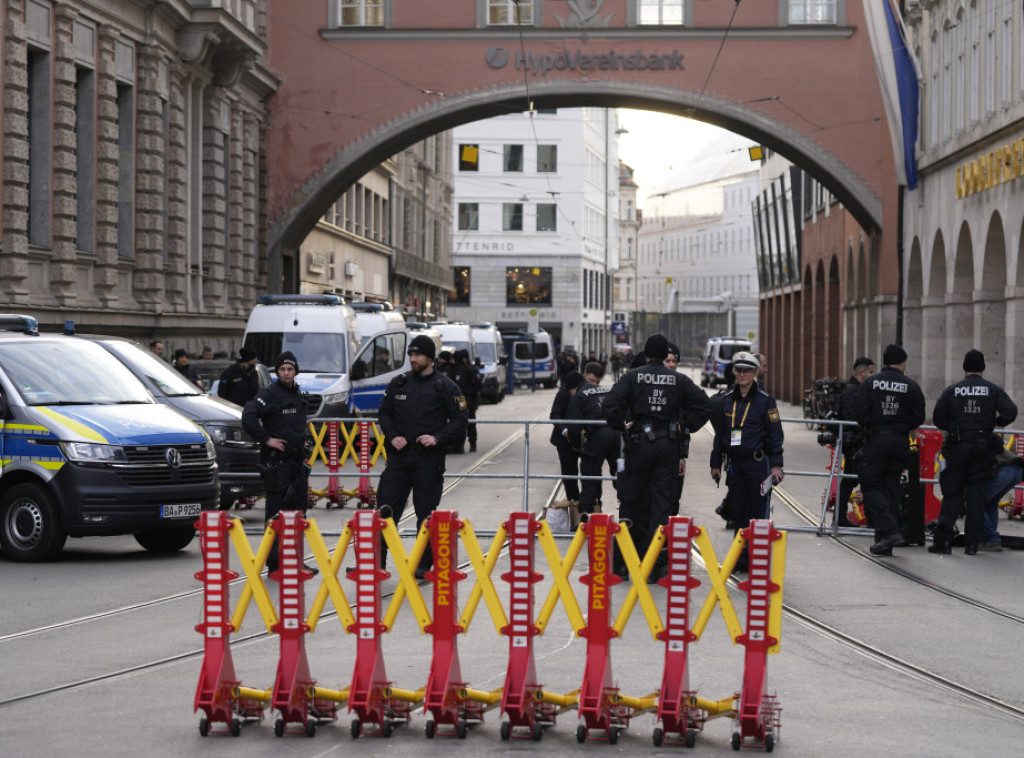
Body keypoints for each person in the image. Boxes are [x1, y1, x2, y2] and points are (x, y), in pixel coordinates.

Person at [603, 334, 711, 581]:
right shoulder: (679, 379)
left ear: (646, 354)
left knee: (631, 501)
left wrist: (622, 425)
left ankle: (625, 564)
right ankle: (653, 566)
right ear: (665, 356)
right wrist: (686, 427)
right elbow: (705, 405)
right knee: (661, 505)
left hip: (639, 443)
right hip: (667, 445)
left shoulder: (632, 376)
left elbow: (610, 404)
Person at [376, 334, 468, 578]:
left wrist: (437, 437)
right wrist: (393, 435)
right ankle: (377, 563)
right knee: (384, 510)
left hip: (428, 459)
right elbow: (383, 414)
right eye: (411, 354)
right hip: (399, 458)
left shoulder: (445, 386)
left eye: (417, 355)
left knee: (425, 514)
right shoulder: (399, 383)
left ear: (430, 358)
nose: (413, 359)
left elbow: (460, 421)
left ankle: (422, 564)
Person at [929, 349, 1017, 555]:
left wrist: (955, 428)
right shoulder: (993, 389)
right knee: (977, 495)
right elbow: (1010, 411)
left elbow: (938, 417)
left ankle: (943, 542)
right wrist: (995, 423)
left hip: (958, 447)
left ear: (964, 368)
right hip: (982, 448)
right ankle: (972, 544)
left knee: (952, 494)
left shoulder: (953, 390)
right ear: (983, 368)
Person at [709, 352, 785, 572]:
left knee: (758, 513)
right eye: (739, 370)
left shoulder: (765, 400)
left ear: (754, 373)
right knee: (739, 513)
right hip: (735, 465)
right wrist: (715, 463)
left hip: (757, 465)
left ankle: (758, 561)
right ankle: (740, 559)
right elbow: (720, 434)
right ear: (735, 372)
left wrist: (777, 464)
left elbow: (775, 434)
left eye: (747, 371)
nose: (742, 375)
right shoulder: (727, 399)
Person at [241, 351, 315, 574]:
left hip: (297, 462)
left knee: (299, 513)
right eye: (282, 369)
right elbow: (248, 416)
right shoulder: (270, 393)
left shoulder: (296, 392)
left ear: (295, 372)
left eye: (290, 369)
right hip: (279, 464)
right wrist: (267, 439)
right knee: (276, 514)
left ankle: (295, 561)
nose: (286, 373)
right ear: (277, 371)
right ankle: (274, 563)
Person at [853, 344, 926, 556]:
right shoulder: (911, 385)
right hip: (900, 441)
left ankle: (889, 531)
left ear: (884, 361)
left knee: (870, 485)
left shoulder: (869, 382)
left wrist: (874, 424)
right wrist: (901, 425)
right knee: (891, 487)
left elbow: (861, 413)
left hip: (876, 440)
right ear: (902, 363)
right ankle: (887, 541)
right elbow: (918, 417)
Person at [566, 362, 619, 518]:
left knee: (589, 471)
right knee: (620, 472)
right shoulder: (606, 390)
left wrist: (577, 447)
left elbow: (574, 428)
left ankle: (587, 513)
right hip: (617, 433)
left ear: (573, 388)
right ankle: (630, 509)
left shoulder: (579, 396)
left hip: (599, 435)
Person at [836, 356, 874, 526]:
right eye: (871, 372)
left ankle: (842, 516)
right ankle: (841, 517)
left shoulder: (858, 389)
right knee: (851, 479)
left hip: (857, 442)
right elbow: (851, 416)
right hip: (854, 443)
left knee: (853, 479)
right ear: (862, 372)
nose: (873, 376)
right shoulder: (852, 390)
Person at [549, 370, 584, 510]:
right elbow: (555, 414)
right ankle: (573, 501)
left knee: (588, 469)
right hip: (564, 440)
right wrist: (564, 430)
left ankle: (587, 502)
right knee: (569, 471)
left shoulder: (585, 391)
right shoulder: (563, 393)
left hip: (581, 438)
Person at [981, 441, 1024, 551]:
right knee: (991, 504)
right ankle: (991, 538)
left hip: (1003, 470)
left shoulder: (968, 442)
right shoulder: (984, 438)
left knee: (975, 504)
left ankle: (991, 539)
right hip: (1018, 470)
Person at [449, 349, 481, 453]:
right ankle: (473, 444)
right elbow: (478, 386)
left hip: (461, 399)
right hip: (470, 399)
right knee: (470, 421)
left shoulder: (458, 369)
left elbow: (456, 387)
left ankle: (460, 445)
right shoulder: (472, 369)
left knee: (461, 420)